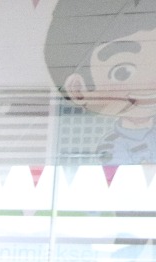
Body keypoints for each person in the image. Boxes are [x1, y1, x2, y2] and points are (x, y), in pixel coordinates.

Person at [44, 0, 156, 165]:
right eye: (122, 72)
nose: (151, 84)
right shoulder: (111, 145)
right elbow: (114, 172)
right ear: (77, 90)